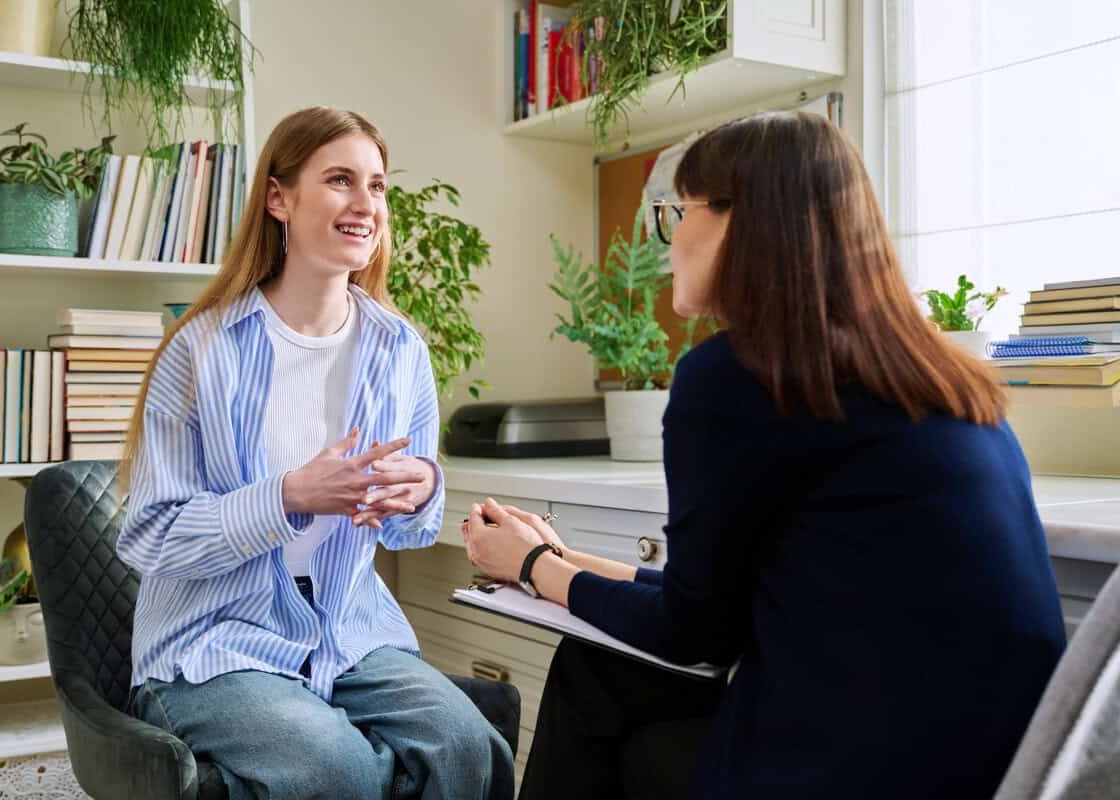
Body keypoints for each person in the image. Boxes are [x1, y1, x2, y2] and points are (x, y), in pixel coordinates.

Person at [462, 111, 1066, 800]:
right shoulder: (934, 378)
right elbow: (733, 601)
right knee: (609, 678)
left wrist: (535, 568)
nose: (671, 241)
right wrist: (563, 562)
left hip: (861, 771)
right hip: (994, 768)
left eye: (676, 213)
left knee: (594, 680)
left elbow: (696, 634)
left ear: (740, 221)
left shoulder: (738, 376)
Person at [117, 106, 514, 800]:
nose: (366, 204)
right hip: (214, 636)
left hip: (348, 625)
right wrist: (289, 496)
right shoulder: (201, 348)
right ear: (279, 197)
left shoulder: (399, 351)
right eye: (339, 180)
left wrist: (421, 485)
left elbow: (409, 528)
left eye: (378, 185)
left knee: (467, 746)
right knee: (337, 769)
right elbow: (151, 536)